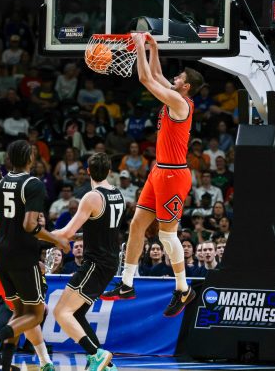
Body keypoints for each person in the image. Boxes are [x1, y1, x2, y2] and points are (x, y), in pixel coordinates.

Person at [101, 32, 204, 317]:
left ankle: (183, 289)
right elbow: (156, 74)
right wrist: (153, 49)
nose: (175, 78)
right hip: (159, 171)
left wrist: (137, 48)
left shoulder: (181, 103)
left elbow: (147, 79)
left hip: (174, 175)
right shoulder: (175, 96)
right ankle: (126, 283)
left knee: (166, 236)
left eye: (180, 77)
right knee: (136, 226)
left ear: (187, 86)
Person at [0, 140, 70, 370]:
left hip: (2, 254)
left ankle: (5, 366)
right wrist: (58, 240)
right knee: (36, 315)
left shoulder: (1, 184)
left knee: (19, 312)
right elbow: (29, 225)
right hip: (22, 255)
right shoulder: (33, 183)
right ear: (30, 158)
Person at [52, 152, 124, 371]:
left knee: (61, 313)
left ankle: (97, 354)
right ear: (110, 172)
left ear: (88, 171)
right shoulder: (117, 194)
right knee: (77, 313)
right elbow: (99, 230)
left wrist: (42, 235)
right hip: (109, 262)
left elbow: (67, 232)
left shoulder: (92, 197)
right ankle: (106, 364)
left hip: (96, 263)